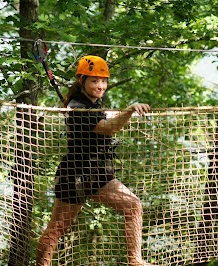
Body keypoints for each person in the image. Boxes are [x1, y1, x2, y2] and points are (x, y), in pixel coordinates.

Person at [36, 55, 155, 266]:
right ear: (82, 81)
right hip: (75, 174)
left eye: (103, 81)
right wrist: (129, 110)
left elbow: (107, 118)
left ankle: (135, 260)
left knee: (133, 206)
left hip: (97, 172)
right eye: (94, 81)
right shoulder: (78, 107)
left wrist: (126, 111)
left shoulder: (93, 103)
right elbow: (109, 127)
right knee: (57, 229)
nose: (100, 86)